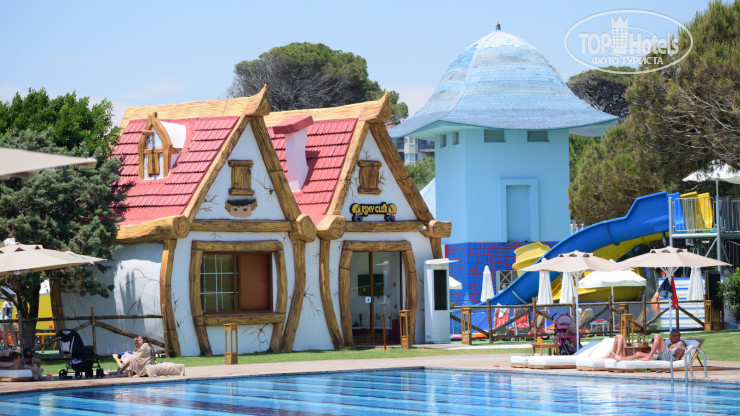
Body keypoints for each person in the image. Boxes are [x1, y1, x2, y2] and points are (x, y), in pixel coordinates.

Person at [607, 329, 686, 362]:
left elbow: (674, 352)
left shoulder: (680, 343)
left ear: (678, 336)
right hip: (661, 357)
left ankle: (650, 356)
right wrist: (656, 348)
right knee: (638, 353)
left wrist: (660, 346)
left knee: (658, 336)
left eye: (672, 336)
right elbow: (661, 351)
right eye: (670, 336)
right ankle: (621, 359)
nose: (670, 338)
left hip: (671, 358)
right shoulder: (670, 344)